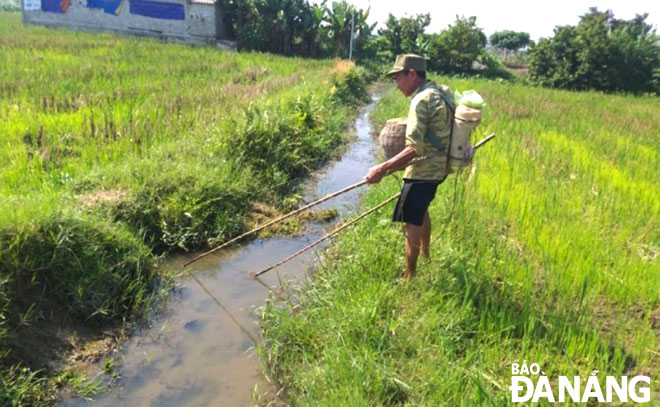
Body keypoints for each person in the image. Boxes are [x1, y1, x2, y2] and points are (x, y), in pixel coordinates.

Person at [365, 54, 454, 281]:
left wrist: (382, 169)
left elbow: (414, 148)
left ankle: (409, 278)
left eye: (398, 78)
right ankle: (425, 256)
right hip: (439, 168)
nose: (396, 85)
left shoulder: (420, 100)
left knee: (411, 220)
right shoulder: (440, 92)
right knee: (421, 210)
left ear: (412, 75)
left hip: (422, 170)